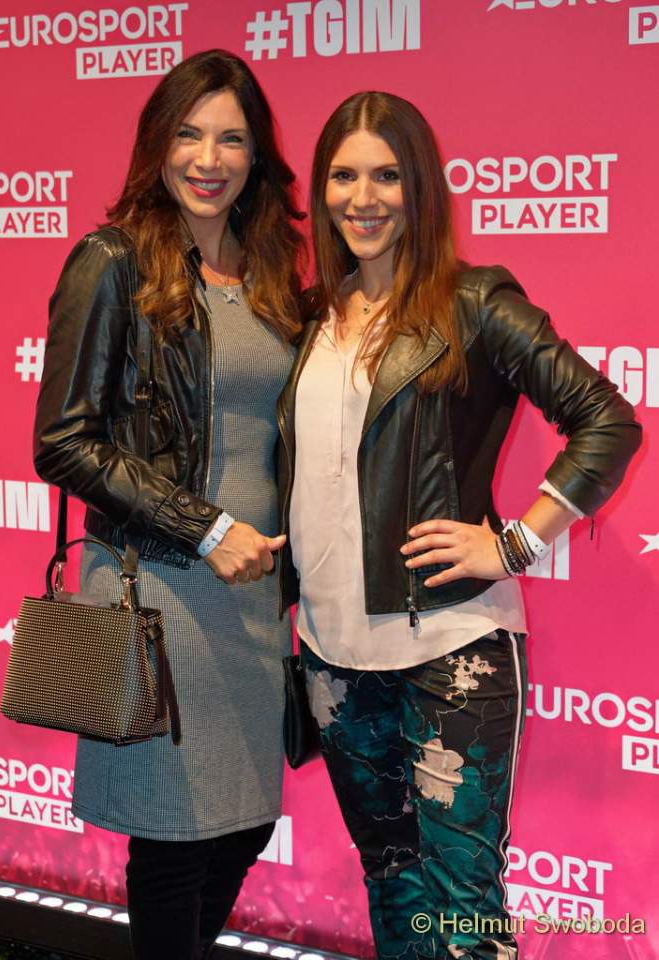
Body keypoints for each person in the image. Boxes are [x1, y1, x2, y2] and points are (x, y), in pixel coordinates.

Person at [276, 92, 641, 960]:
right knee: (390, 878)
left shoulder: (473, 302)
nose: (363, 198)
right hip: (331, 653)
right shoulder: (309, 316)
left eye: (386, 176)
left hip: (451, 647)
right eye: (342, 176)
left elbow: (606, 421)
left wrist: (513, 543)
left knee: (461, 906)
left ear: (421, 187)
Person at [34, 49, 304, 960]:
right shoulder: (111, 260)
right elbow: (63, 440)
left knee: (243, 826)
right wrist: (205, 526)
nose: (208, 158)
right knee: (175, 840)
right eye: (189, 134)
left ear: (257, 155)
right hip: (158, 586)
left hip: (254, 598)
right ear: (157, 143)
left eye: (231, 138)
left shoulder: (269, 270)